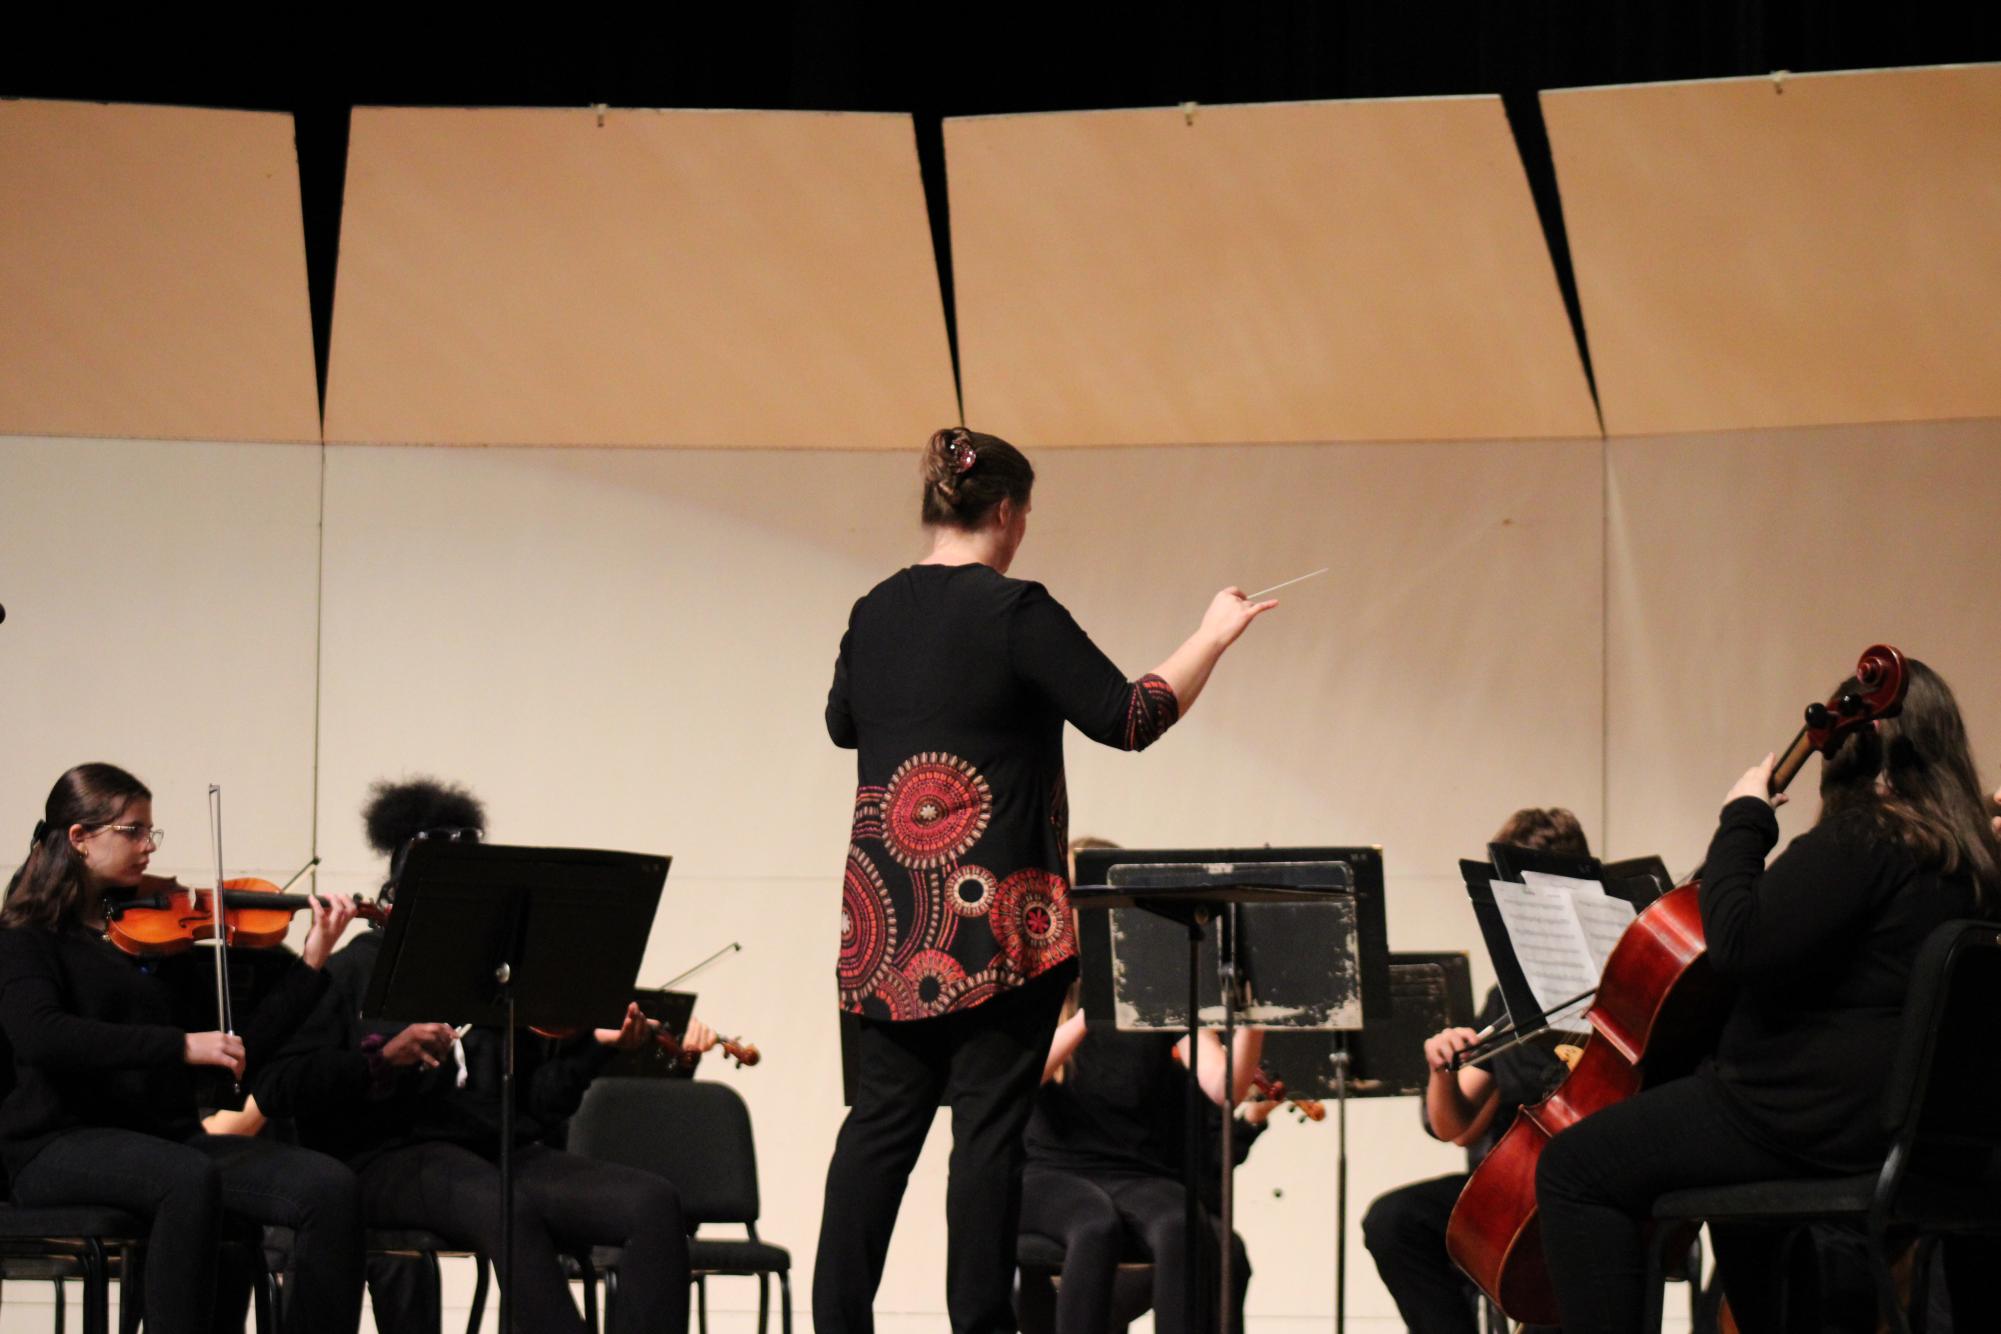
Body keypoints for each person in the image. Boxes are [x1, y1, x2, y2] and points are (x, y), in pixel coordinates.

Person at [813, 426, 1277, 1333]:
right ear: (1005, 511)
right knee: (985, 1142)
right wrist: (1211, 634)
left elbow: (841, 723)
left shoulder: (873, 611)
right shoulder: (1015, 610)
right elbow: (1130, 716)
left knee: (876, 1135)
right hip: (996, 932)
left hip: (888, 922)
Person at [1535, 659, 2000, 1333]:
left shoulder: (1868, 836)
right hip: (1931, 1139)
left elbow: (1741, 944)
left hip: (1807, 1119)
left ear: (1853, 745)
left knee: (1575, 1169)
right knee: (1731, 1200)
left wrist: (1743, 820)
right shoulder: (1974, 865)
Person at [253, 778, 698, 1334]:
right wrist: (386, 1058)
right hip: (383, 1161)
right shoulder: (353, 969)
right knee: (497, 1201)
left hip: (493, 1156)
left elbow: (535, 1108)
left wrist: (587, 1053)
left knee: (653, 1203)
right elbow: (284, 1086)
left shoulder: (495, 980)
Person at [0, 762, 366, 1334]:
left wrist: (314, 958)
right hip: (56, 1144)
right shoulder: (27, 938)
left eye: (151, 831)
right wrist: (177, 1047)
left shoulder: (151, 938)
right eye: (133, 831)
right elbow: (42, 1035)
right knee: (187, 1179)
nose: (149, 846)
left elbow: (232, 1050)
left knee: (328, 1186)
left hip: (165, 1141)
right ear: (79, 838)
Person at [1360, 807, 1586, 1334]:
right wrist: (1442, 1068)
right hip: (1508, 1190)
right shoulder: (1507, 997)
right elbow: (1454, 1127)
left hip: (1577, 1191)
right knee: (1395, 1222)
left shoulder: (1618, 982)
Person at [1018, 992, 1266, 1334]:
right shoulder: (1048, 993)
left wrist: (1255, 1019)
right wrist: (1096, 1008)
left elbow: (1224, 1089)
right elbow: (1022, 1076)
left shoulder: (1158, 997)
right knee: (1094, 1226)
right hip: (1050, 1173)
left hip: (1137, 1175)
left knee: (1184, 1225)